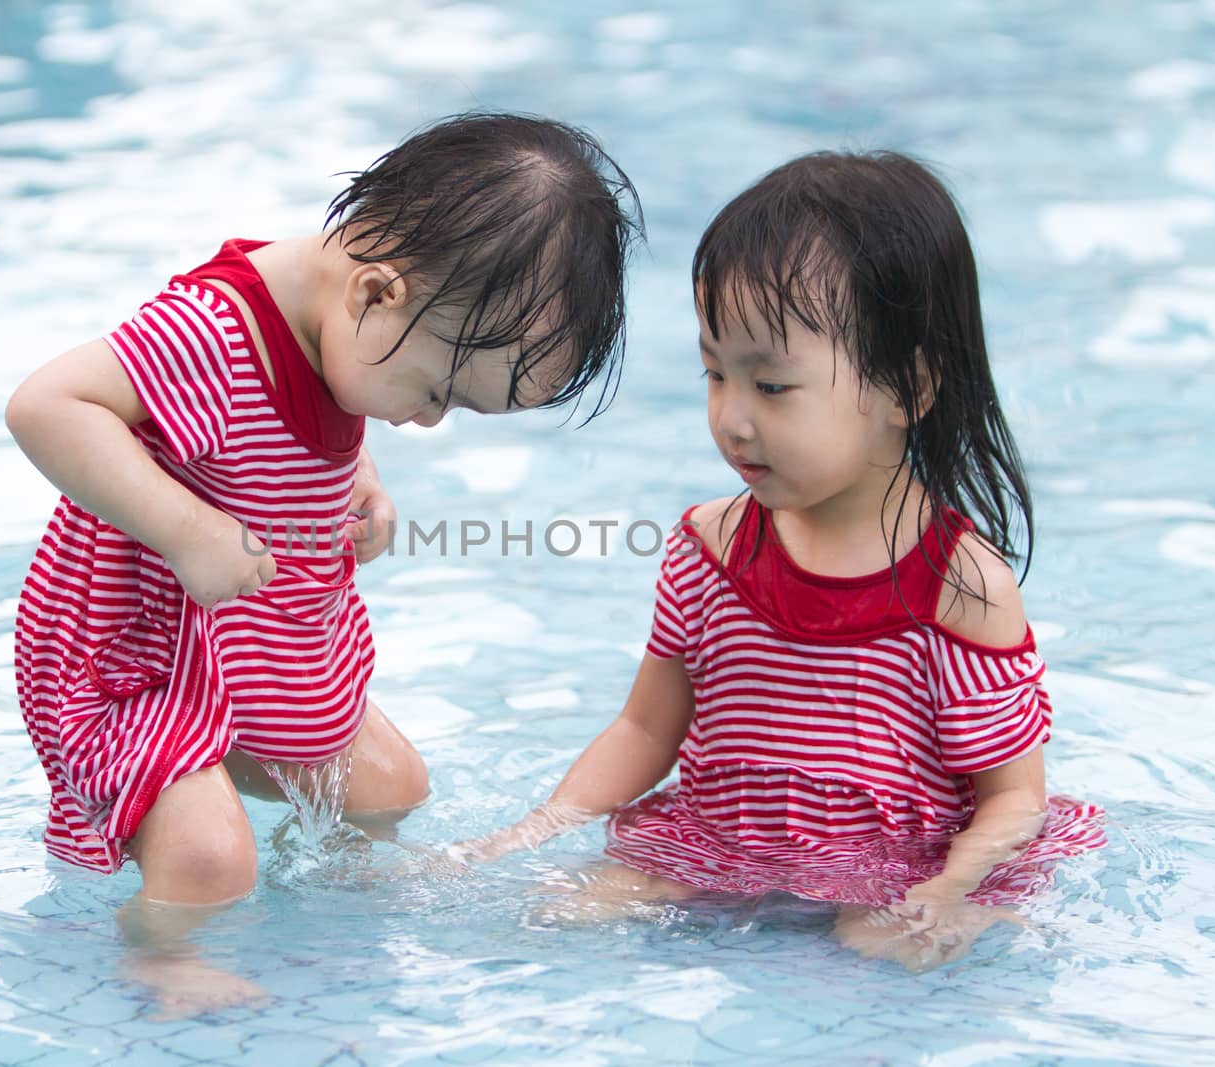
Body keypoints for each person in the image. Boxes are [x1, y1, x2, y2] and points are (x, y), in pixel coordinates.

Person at [459, 151, 1104, 972]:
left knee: (874, 947)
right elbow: (646, 728)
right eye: (715, 373)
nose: (730, 418)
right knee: (557, 912)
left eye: (772, 386)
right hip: (719, 843)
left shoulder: (957, 583)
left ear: (906, 388)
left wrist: (953, 887)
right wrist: (531, 830)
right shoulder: (709, 547)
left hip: (890, 870)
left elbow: (1014, 797)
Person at [6, 111, 642, 918]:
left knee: (388, 792)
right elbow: (46, 405)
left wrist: (355, 474)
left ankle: (310, 877)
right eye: (438, 392)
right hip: (133, 657)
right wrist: (186, 529)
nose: (429, 420)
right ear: (376, 292)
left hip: (241, 642)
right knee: (209, 863)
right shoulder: (211, 332)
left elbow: (281, 427)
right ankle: (163, 976)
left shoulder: (343, 325)